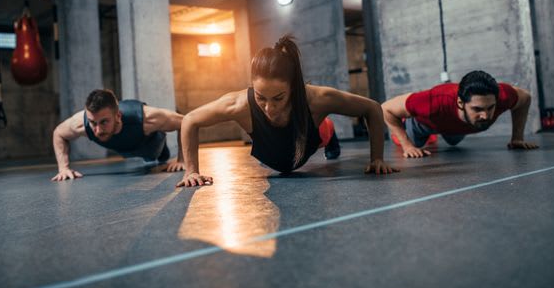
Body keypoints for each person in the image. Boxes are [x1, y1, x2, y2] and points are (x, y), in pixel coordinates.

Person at [176, 35, 399, 187]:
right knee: (279, 159)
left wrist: (377, 158)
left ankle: (328, 133)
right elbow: (190, 120)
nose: (268, 107)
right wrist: (191, 171)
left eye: (278, 98)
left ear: (293, 87)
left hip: (310, 142)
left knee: (322, 131)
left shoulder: (318, 99)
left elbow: (372, 108)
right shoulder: (238, 104)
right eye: (261, 98)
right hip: (272, 156)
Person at [381, 70, 539, 158]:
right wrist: (407, 145)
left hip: (457, 127)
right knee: (414, 141)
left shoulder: (503, 96)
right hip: (424, 124)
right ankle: (414, 128)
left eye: (490, 108)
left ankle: (441, 133)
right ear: (460, 103)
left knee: (453, 142)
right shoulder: (433, 101)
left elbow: (525, 98)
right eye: (477, 109)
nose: (485, 116)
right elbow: (385, 108)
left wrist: (517, 138)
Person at [51, 89, 184, 181]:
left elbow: (184, 122)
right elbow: (59, 133)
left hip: (151, 146)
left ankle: (162, 150)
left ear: (118, 116)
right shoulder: (81, 123)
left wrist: (182, 160)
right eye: (93, 123)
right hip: (125, 148)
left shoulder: (144, 117)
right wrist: (63, 168)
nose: (97, 130)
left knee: (156, 157)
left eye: (104, 122)